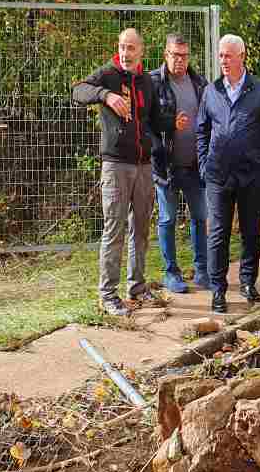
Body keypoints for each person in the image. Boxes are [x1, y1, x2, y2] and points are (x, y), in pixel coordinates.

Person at [73, 28, 187, 316]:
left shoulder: (147, 81)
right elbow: (78, 90)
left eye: (131, 48)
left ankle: (136, 287)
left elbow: (152, 119)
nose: (125, 53)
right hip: (116, 165)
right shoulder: (107, 74)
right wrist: (105, 96)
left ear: (141, 51)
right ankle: (107, 295)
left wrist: (173, 123)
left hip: (144, 165)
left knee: (141, 228)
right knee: (115, 229)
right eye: (122, 46)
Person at [196, 34, 260, 314]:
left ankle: (247, 282)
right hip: (218, 176)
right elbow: (202, 131)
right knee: (218, 234)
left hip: (250, 177)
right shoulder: (212, 91)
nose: (223, 61)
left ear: (242, 56)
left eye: (228, 56)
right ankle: (218, 290)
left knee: (251, 233)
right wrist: (204, 165)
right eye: (220, 56)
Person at [150, 33, 209, 294]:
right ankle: (171, 273)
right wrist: (159, 143)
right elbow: (146, 124)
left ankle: (202, 270)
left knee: (200, 216)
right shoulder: (153, 83)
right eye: (175, 55)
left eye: (184, 56)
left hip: (196, 165)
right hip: (167, 166)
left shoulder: (199, 83)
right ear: (166, 54)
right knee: (168, 219)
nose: (179, 60)